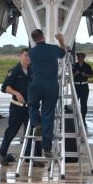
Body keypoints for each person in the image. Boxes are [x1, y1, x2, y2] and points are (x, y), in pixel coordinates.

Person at [27, 29, 66, 159]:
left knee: (32, 106)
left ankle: (36, 123)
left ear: (33, 40)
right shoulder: (52, 48)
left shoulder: (32, 52)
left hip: (36, 85)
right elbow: (63, 53)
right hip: (51, 85)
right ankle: (47, 148)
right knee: (48, 115)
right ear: (43, 36)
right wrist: (60, 39)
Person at [0, 48, 38, 165]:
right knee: (12, 131)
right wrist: (16, 93)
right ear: (20, 56)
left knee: (30, 132)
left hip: (30, 107)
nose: (28, 58)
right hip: (17, 107)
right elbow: (5, 87)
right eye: (26, 55)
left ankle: (28, 157)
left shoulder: (33, 71)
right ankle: (3, 153)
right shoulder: (14, 71)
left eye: (30, 56)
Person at [72, 52, 93, 122]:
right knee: (75, 102)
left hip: (84, 86)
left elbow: (91, 75)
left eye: (80, 57)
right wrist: (75, 73)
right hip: (76, 85)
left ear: (83, 58)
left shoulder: (87, 66)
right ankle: (75, 117)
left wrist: (85, 75)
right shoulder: (74, 66)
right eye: (78, 57)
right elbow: (71, 76)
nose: (79, 58)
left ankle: (83, 117)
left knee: (84, 102)